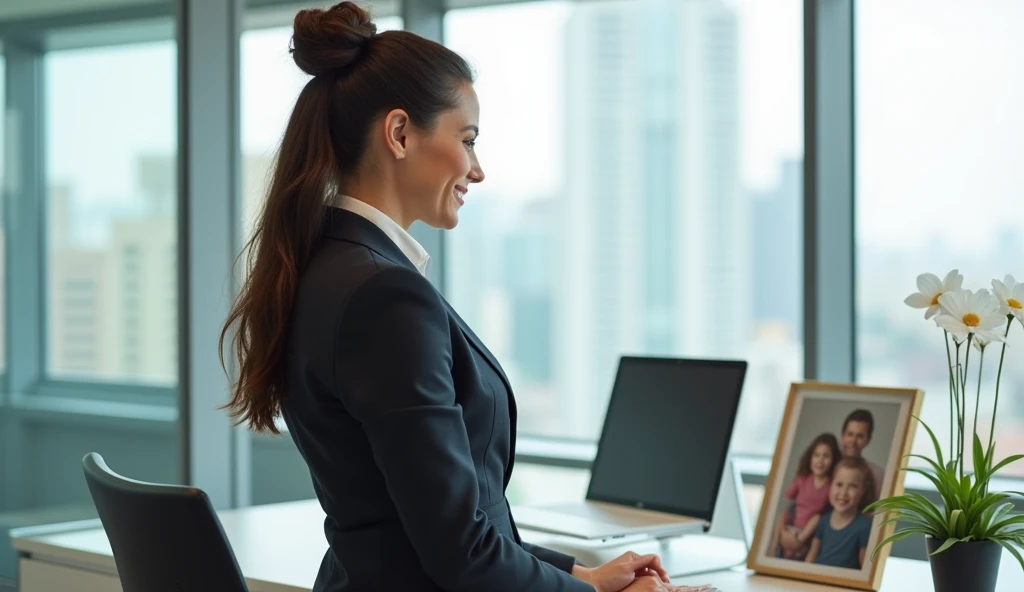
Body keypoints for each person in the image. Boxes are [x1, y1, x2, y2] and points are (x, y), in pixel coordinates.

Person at [218, 3, 714, 592]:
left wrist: (584, 575)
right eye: (468, 139)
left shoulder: (320, 267)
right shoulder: (385, 296)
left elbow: (429, 525)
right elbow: (461, 554)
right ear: (399, 133)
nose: (476, 169)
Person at [773, 433, 840, 560]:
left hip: (810, 534)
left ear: (833, 460)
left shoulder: (831, 485)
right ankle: (774, 549)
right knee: (782, 516)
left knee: (817, 518)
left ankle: (797, 542)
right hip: (791, 526)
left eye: (826, 456)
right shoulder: (802, 479)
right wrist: (783, 532)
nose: (820, 460)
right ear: (810, 457)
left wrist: (800, 539)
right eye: (816, 455)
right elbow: (786, 508)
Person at [804, 456, 877, 570]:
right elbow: (810, 558)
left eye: (852, 486)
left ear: (862, 491)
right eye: (839, 485)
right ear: (831, 485)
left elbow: (866, 570)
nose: (843, 492)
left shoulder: (865, 526)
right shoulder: (824, 520)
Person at [840, 409, 885, 499]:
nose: (853, 441)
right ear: (843, 435)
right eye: (850, 434)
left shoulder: (876, 474)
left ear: (868, 440)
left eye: (860, 436)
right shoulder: (826, 465)